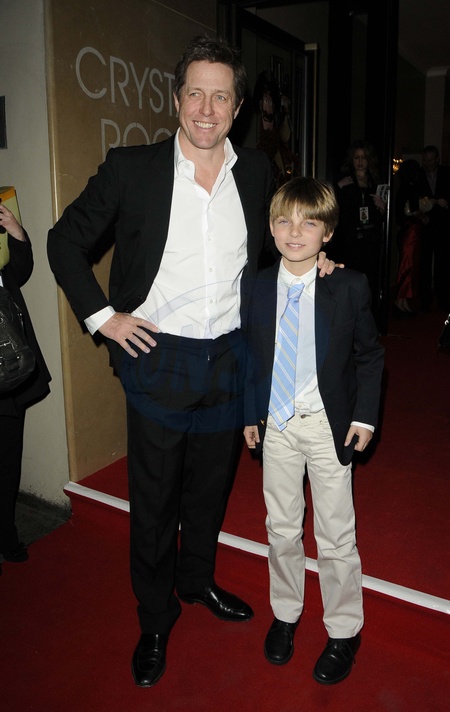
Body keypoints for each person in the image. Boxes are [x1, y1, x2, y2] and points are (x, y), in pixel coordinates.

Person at [47, 35, 336, 688]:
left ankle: (195, 580)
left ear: (237, 107)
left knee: (209, 487)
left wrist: (315, 259)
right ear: (177, 99)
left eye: (221, 97)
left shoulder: (256, 173)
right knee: (154, 499)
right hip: (159, 355)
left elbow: (281, 241)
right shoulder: (132, 168)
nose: (207, 109)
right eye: (196, 94)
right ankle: (155, 618)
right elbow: (64, 242)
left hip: (230, 358)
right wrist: (103, 318)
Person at [243, 177, 384, 685]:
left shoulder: (347, 285)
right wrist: (249, 414)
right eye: (284, 221)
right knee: (280, 527)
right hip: (276, 424)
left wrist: (363, 416)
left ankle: (344, 629)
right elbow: (249, 355)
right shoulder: (256, 285)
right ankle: (286, 613)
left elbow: (370, 355)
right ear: (271, 227)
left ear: (327, 233)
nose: (294, 232)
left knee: (335, 534)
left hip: (327, 426)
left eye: (309, 223)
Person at [0, 201, 51, 573]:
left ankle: (6, 534)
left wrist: (16, 232)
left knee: (7, 460)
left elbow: (20, 271)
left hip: (9, 371)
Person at [332, 140, 386, 323]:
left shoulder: (376, 183)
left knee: (370, 280)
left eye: (364, 158)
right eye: (357, 158)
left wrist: (383, 207)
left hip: (371, 239)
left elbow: (383, 216)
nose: (360, 162)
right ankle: (351, 319)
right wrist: (338, 187)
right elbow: (331, 206)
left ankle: (369, 319)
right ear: (352, 160)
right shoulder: (345, 181)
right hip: (351, 240)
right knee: (352, 279)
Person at [394, 159, 430, 317]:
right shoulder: (408, 189)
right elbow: (409, 212)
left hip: (409, 231)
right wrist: (420, 216)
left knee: (408, 265)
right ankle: (400, 301)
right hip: (411, 233)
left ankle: (402, 301)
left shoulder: (404, 189)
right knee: (407, 266)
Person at [417, 145, 450, 311]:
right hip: (425, 226)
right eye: (424, 160)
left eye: (430, 160)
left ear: (437, 159)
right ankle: (425, 300)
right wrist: (420, 215)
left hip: (443, 227)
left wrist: (446, 204)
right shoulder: (418, 175)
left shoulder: (447, 174)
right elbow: (413, 199)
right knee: (424, 263)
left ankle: (443, 299)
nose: (427, 164)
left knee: (442, 265)